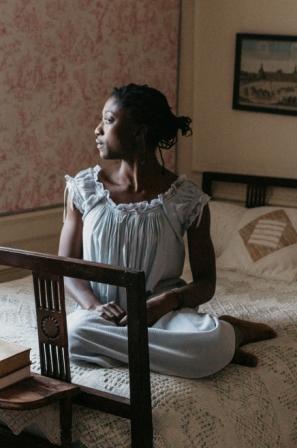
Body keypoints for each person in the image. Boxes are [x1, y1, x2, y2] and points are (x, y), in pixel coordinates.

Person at [59, 84, 276, 378]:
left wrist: (166, 302)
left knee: (211, 341)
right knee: (71, 334)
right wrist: (94, 306)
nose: (97, 130)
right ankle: (191, 352)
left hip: (163, 317)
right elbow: (67, 267)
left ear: (139, 131)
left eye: (108, 121)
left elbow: (206, 283)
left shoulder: (187, 200)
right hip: (103, 318)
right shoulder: (83, 189)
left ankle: (231, 333)